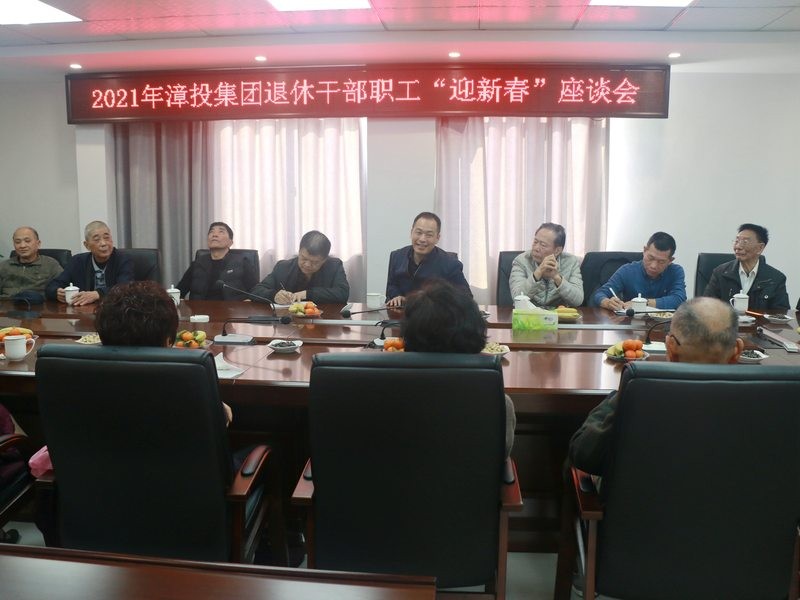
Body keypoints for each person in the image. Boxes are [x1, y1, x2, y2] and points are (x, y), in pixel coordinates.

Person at [568, 297, 743, 477]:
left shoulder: (640, 390)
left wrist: (618, 397)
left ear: (671, 348)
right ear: (737, 350)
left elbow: (584, 455)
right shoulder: (758, 399)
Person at [401, 280, 516, 457]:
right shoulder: (497, 403)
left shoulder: (383, 395)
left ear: (407, 338)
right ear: (476, 336)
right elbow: (501, 455)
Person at [95, 280, 233, 425]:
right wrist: (217, 407)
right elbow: (216, 422)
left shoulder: (85, 384)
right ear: (169, 341)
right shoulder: (190, 389)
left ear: (102, 337)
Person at [386, 212, 470, 307]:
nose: (422, 239)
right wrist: (396, 296)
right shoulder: (397, 256)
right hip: (401, 313)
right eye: (418, 233)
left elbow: (466, 297)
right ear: (411, 233)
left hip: (434, 314)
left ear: (437, 238)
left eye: (429, 235)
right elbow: (391, 286)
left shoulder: (451, 264)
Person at [703, 223, 790, 311]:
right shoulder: (720, 273)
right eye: (737, 241)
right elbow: (706, 307)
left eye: (745, 242)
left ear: (760, 248)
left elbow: (781, 313)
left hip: (760, 320)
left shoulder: (775, 278)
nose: (738, 247)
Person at [591, 231, 686, 311]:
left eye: (661, 262)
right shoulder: (627, 271)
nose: (653, 266)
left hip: (663, 324)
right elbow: (600, 294)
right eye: (651, 258)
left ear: (670, 261)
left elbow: (679, 299)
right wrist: (607, 303)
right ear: (644, 250)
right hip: (631, 324)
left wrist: (642, 303)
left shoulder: (675, 272)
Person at [45, 221, 133, 306]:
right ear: (87, 245)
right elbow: (52, 286)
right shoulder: (77, 261)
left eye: (107, 238)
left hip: (115, 310)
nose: (103, 243)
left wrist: (98, 294)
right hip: (83, 311)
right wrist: (57, 292)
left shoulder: (123, 259)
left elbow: (125, 288)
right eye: (97, 240)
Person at [251, 230, 349, 304]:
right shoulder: (283, 267)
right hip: (288, 321)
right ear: (299, 251)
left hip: (324, 320)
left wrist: (308, 294)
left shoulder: (334, 266)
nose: (307, 264)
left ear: (324, 260)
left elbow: (343, 294)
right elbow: (256, 291)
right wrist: (274, 295)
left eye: (314, 262)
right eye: (304, 258)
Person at [176, 222, 258, 301]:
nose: (214, 235)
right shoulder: (197, 264)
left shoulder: (242, 262)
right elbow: (179, 292)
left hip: (232, 309)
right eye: (211, 232)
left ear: (230, 242)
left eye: (221, 232)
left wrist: (248, 301)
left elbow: (256, 292)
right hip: (200, 309)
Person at [509, 222, 583, 307]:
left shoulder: (571, 262)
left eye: (543, 245)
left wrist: (556, 277)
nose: (536, 248)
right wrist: (538, 273)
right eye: (535, 242)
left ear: (557, 250)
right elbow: (517, 298)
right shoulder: (521, 261)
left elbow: (578, 300)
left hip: (559, 314)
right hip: (530, 313)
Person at [0, 226, 62, 298]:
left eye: (27, 241)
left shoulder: (50, 264)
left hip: (37, 303)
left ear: (38, 244)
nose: (22, 246)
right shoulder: (4, 266)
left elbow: (62, 287)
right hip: (7, 303)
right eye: (17, 242)